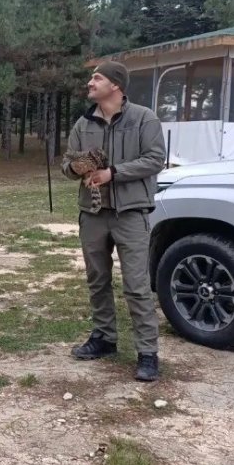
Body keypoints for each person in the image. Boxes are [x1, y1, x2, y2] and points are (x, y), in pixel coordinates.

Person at [61, 61, 167, 382]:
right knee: (97, 281)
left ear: (116, 86)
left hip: (131, 213)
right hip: (92, 214)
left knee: (136, 286)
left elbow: (154, 159)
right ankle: (104, 339)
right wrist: (77, 167)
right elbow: (66, 165)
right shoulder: (84, 123)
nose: (90, 83)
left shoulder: (144, 118)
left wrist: (113, 173)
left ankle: (147, 352)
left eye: (97, 78)